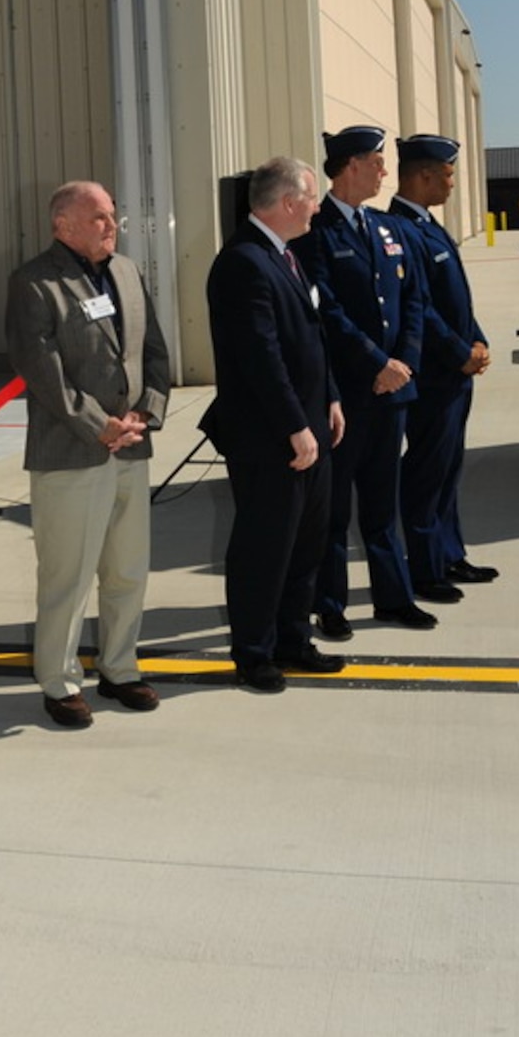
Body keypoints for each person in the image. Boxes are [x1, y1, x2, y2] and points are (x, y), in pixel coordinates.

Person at [5, 182, 171, 728]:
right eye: (98, 217)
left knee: (127, 570)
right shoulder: (35, 283)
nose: (112, 224)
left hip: (130, 447)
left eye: (112, 216)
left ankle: (120, 668)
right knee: (68, 576)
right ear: (63, 225)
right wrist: (102, 426)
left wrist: (145, 413)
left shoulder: (125, 271)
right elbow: (44, 374)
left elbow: (152, 350)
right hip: (72, 452)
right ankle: (59, 680)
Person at [202, 157, 346, 690]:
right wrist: (294, 425)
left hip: (308, 427)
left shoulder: (284, 255)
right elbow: (260, 356)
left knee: (305, 545)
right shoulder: (244, 262)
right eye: (310, 197)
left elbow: (310, 336)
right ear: (288, 203)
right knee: (265, 547)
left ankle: (293, 638)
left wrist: (328, 398)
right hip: (272, 438)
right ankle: (255, 652)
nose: (315, 206)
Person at [295, 125, 434, 637]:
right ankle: (328, 604)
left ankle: (393, 598)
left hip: (393, 391)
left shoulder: (386, 228)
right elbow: (324, 310)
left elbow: (414, 301)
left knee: (382, 504)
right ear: (350, 165)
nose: (383, 170)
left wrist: (404, 363)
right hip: (348, 394)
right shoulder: (316, 231)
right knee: (334, 510)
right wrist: (376, 363)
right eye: (377, 161)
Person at [388, 134, 497, 594]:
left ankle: (450, 555)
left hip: (456, 371)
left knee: (449, 467)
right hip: (435, 374)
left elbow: (455, 301)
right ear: (424, 175)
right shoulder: (400, 230)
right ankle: (426, 567)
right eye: (448, 175)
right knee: (427, 471)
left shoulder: (428, 225)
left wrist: (478, 341)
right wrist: (458, 353)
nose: (453, 184)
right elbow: (421, 309)